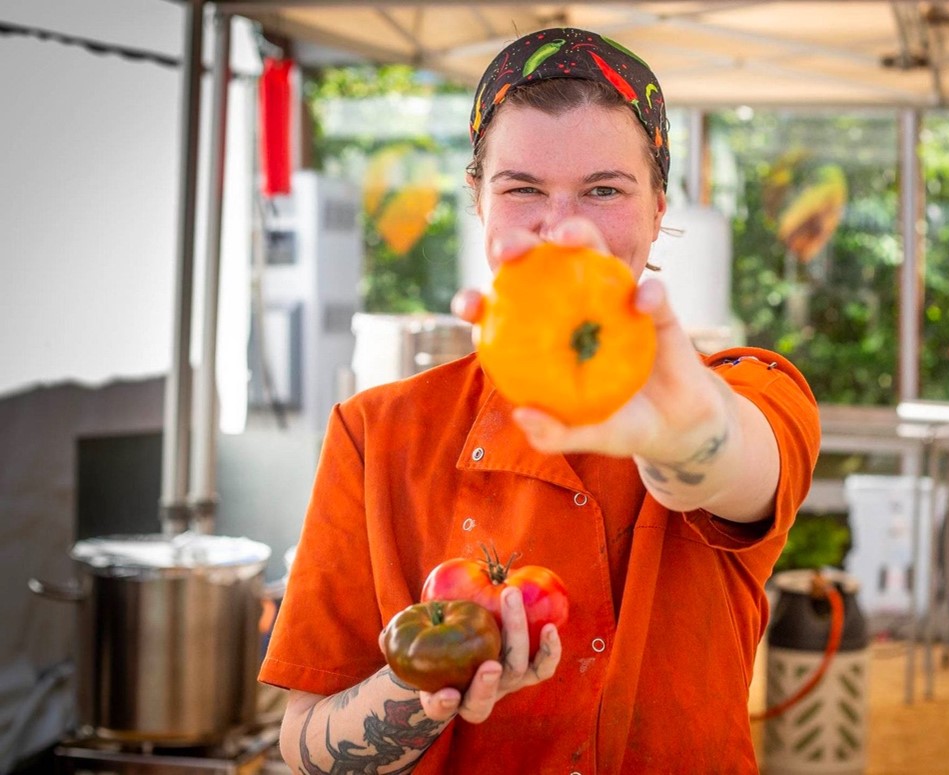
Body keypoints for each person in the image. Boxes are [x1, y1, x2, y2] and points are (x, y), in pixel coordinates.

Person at [259, 27, 821, 774]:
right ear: (479, 204)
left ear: (658, 208)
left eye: (604, 189)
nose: (564, 228)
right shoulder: (378, 431)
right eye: (523, 188)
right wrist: (421, 683)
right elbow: (303, 746)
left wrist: (688, 436)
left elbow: (733, 462)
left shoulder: (749, 388)